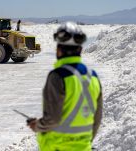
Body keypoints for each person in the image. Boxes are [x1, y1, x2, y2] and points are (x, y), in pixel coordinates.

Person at [27, 22, 103, 151]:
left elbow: (53, 119)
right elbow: (97, 118)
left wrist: (37, 125)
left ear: (59, 50)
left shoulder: (57, 77)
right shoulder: (93, 77)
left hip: (57, 147)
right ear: (80, 50)